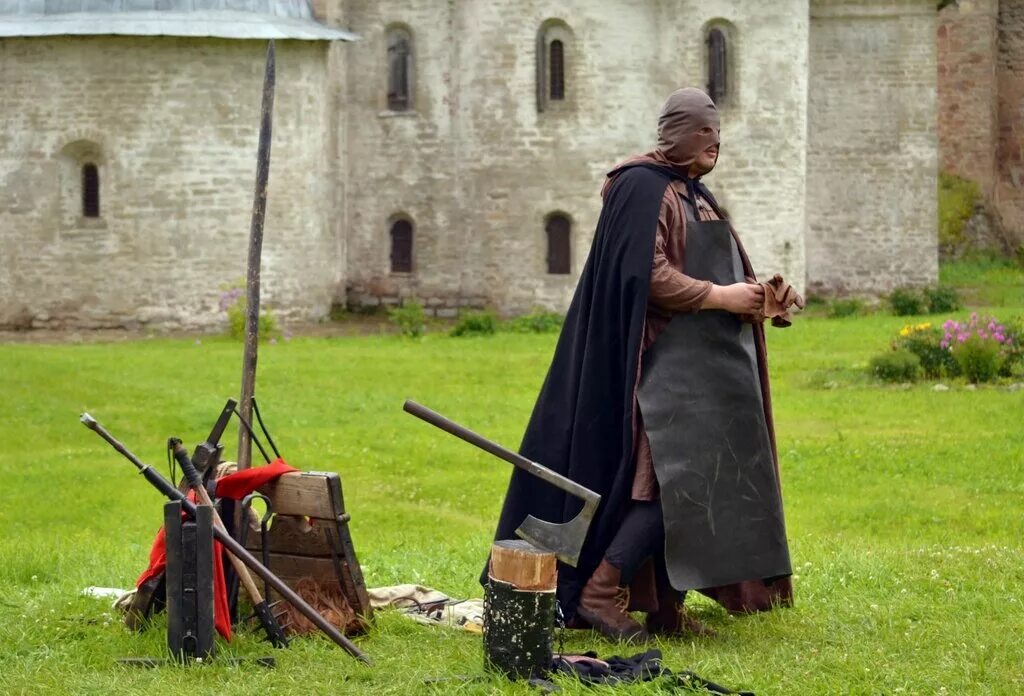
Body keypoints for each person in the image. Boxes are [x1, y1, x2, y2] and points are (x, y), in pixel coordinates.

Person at [488, 88, 800, 642]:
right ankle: (601, 591)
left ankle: (664, 608)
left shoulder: (694, 195)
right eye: (706, 135)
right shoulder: (639, 187)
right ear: (679, 133)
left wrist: (759, 296)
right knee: (670, 486)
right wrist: (719, 297)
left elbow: (713, 273)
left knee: (698, 482)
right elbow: (645, 274)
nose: (716, 146)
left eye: (719, 136)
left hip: (699, 368)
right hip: (649, 369)